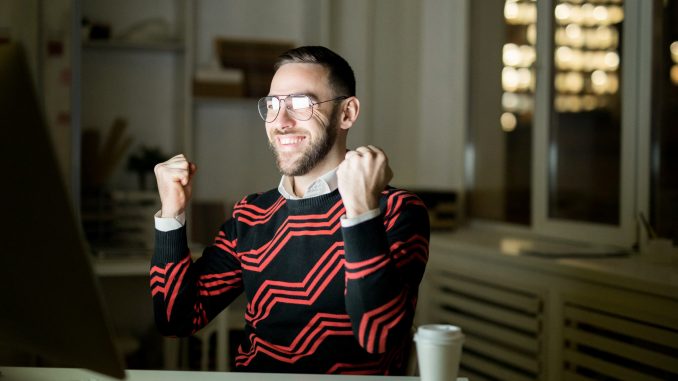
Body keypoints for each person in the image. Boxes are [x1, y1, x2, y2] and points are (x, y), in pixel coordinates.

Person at [150, 46, 430, 374]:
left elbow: (379, 337)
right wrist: (171, 214)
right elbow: (176, 319)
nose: (280, 122)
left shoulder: (397, 210)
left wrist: (361, 212)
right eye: (272, 105)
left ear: (347, 113)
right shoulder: (250, 215)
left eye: (301, 104)